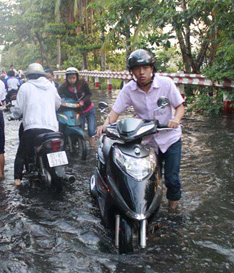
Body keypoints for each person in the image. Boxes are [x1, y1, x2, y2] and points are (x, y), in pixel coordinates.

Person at [96, 49, 185, 211]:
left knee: (172, 179)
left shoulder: (166, 84)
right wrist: (105, 125)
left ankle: (173, 211)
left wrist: (176, 119)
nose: (141, 72)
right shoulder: (129, 89)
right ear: (132, 72)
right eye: (137, 69)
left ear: (152, 69)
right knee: (148, 178)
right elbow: (115, 112)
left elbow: (180, 107)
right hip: (149, 141)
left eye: (145, 68)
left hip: (170, 138)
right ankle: (149, 210)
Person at [12, 63, 61, 186]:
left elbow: (18, 109)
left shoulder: (25, 87)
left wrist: (13, 116)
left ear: (29, 75)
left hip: (32, 128)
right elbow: (57, 105)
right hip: (52, 129)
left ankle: (17, 179)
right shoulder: (51, 86)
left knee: (21, 153)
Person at [58, 67, 96, 148]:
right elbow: (57, 96)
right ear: (66, 78)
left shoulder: (83, 84)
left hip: (89, 109)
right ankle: (80, 147)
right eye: (69, 78)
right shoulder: (63, 87)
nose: (71, 80)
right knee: (79, 130)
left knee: (91, 130)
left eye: (73, 78)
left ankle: (92, 148)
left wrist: (83, 101)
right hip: (78, 112)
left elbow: (89, 94)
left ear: (77, 77)